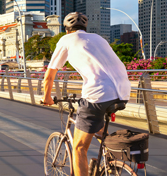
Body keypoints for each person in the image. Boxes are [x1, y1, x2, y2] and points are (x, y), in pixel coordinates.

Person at [41, 12, 131, 176]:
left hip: (98, 94)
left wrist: (47, 97)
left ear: (67, 30)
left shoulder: (66, 40)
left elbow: (50, 75)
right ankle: (111, 161)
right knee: (98, 128)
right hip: (123, 92)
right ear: (84, 28)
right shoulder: (98, 38)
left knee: (79, 147)